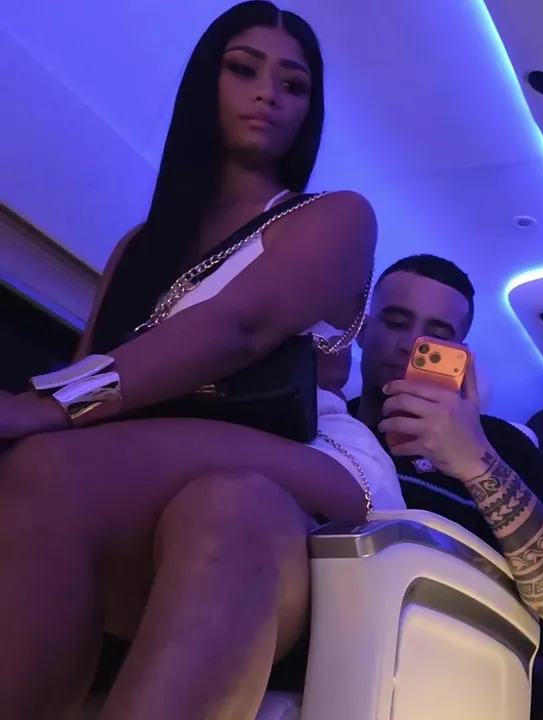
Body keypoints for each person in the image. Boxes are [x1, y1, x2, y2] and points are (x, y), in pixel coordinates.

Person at [0, 3, 404, 718]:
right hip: (158, 462)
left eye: (293, 85)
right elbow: (94, 363)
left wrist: (48, 405)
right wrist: (55, 407)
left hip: (310, 452)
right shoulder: (138, 246)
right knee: (205, 505)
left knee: (49, 462)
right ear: (203, 84)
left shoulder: (335, 215)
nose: (268, 94)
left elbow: (241, 328)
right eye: (243, 70)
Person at [350, 253, 543, 718]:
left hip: (474, 665)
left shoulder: (502, 445)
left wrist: (475, 461)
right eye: (396, 322)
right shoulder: (327, 431)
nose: (411, 345)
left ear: (460, 355)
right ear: (362, 330)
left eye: (437, 335)